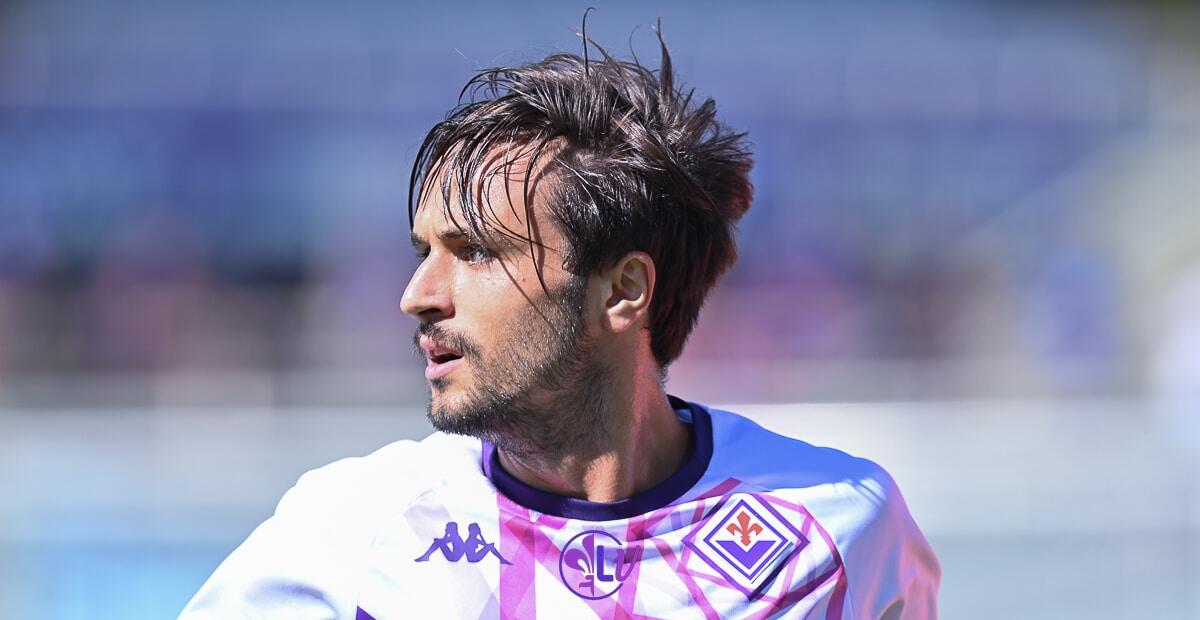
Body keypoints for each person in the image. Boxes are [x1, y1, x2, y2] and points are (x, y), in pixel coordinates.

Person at [180, 26, 939, 619]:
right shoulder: (353, 528)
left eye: (476, 252)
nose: (417, 295)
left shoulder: (835, 526)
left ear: (622, 290)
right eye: (423, 250)